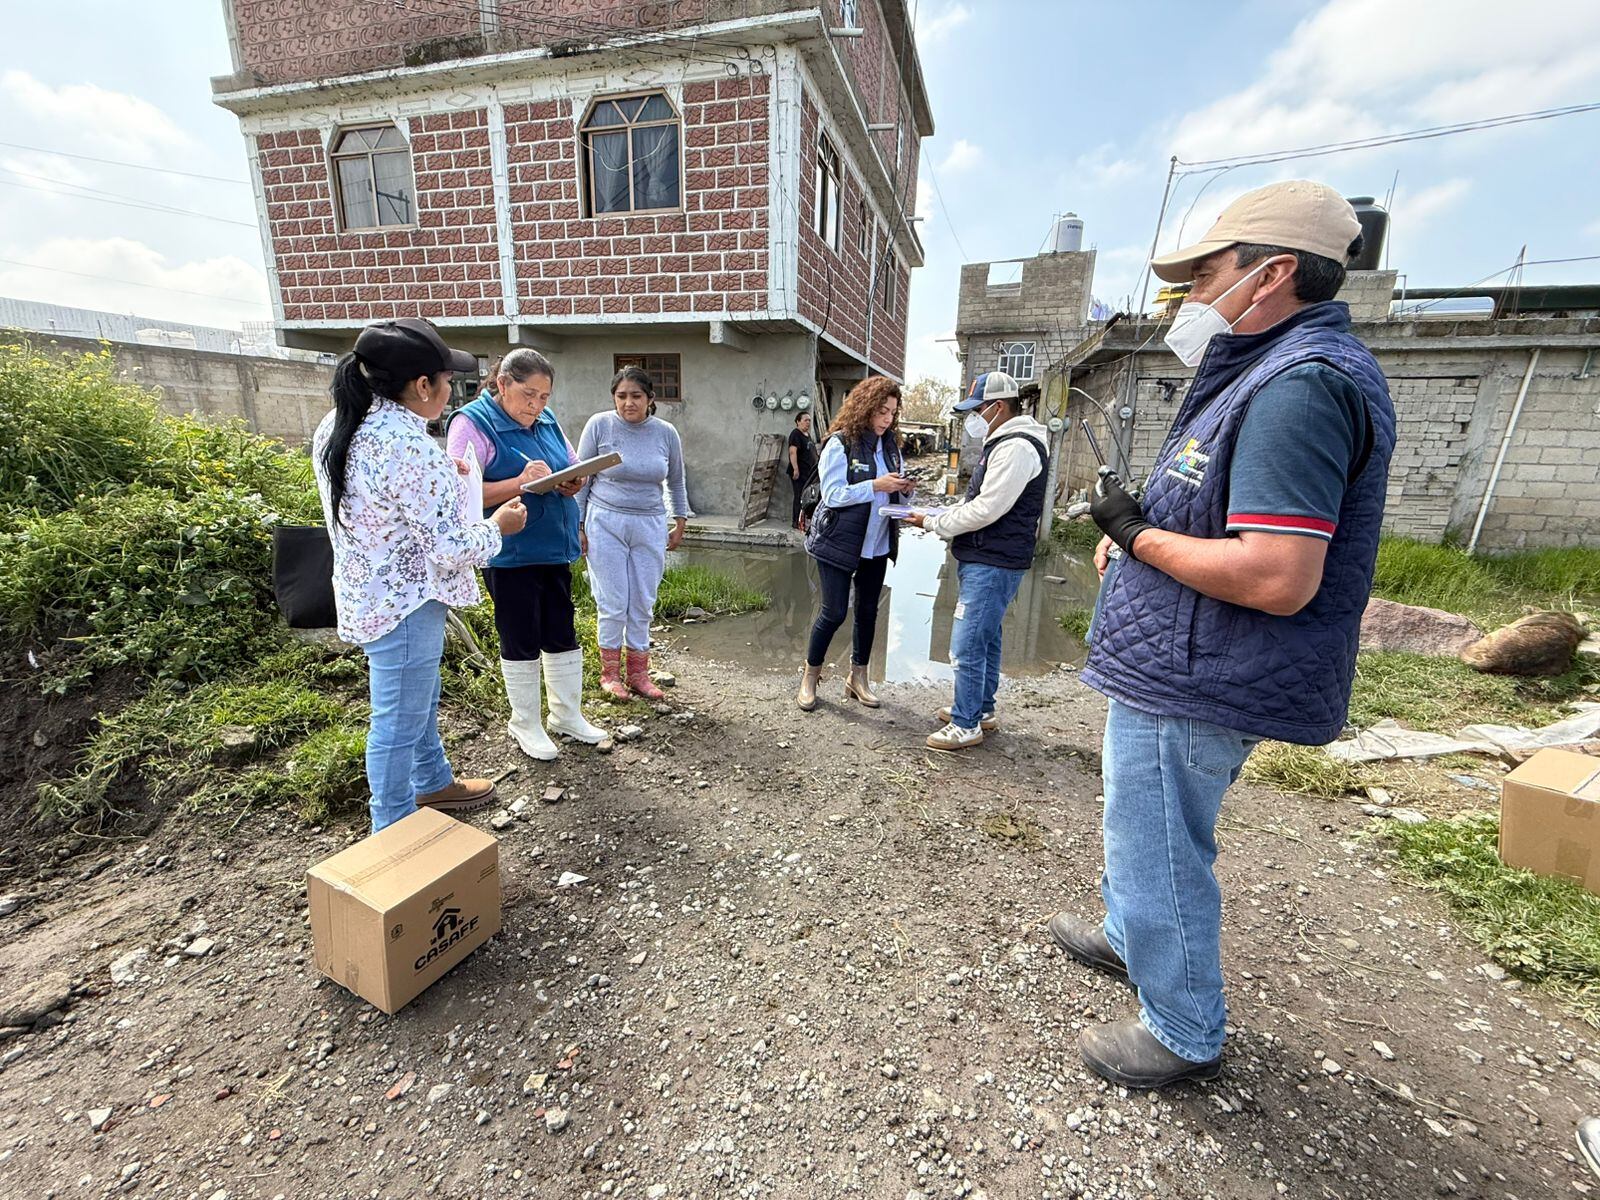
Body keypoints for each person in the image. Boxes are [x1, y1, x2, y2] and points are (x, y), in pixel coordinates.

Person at [1050, 181, 1395, 1089]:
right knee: (1138, 828)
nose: (1186, 297)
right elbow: (1215, 514)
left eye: (1204, 272)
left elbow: (1279, 576)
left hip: (1203, 671)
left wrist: (1139, 538)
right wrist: (1139, 551)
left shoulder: (1301, 388)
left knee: (1160, 842)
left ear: (1272, 272)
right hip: (1179, 653)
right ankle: (1132, 938)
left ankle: (1184, 1026)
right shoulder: (1255, 371)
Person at [311, 318, 528, 833]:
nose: (452, 391)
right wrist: (499, 526)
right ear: (422, 385)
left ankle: (432, 781)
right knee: (397, 720)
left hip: (369, 590)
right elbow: (451, 548)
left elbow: (376, 508)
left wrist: (446, 485)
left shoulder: (339, 423)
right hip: (406, 602)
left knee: (417, 696)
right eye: (447, 380)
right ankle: (392, 828)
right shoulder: (407, 446)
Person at [446, 348, 609, 760]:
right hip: (510, 551)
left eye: (544, 397)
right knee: (520, 634)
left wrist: (573, 481)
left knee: (561, 630)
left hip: (553, 546)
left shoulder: (546, 421)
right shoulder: (472, 424)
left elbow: (570, 463)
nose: (536, 406)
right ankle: (526, 723)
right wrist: (519, 482)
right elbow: (460, 495)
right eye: (528, 395)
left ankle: (566, 715)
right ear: (502, 384)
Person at [903, 371, 1048, 751]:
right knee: (987, 637)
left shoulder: (1016, 447)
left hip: (994, 559)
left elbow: (988, 508)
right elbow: (979, 502)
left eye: (977, 409)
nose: (974, 418)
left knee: (966, 644)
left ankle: (967, 724)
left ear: (998, 407)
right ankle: (981, 709)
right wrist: (939, 514)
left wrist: (935, 522)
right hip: (991, 555)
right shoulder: (1004, 442)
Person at [576, 367, 691, 701]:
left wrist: (680, 518)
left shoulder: (666, 433)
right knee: (613, 601)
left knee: (642, 600)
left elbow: (676, 480)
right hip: (605, 521)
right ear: (614, 397)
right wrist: (579, 525)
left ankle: (639, 673)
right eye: (621, 396)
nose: (628, 402)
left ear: (650, 399)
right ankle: (609, 674)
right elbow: (581, 478)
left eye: (636, 396)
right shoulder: (600, 425)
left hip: (650, 523)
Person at [797, 376, 911, 711]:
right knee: (833, 613)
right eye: (882, 410)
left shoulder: (891, 448)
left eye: (892, 412)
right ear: (865, 407)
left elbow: (894, 498)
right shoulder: (840, 444)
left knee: (867, 611)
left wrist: (904, 491)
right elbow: (833, 496)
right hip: (839, 542)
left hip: (876, 543)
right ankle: (809, 677)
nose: (888, 418)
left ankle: (857, 678)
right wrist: (876, 484)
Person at [787, 411, 818, 530]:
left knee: (806, 497)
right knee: (799, 496)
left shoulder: (807, 435)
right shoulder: (796, 434)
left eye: (809, 420)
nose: (808, 422)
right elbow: (792, 452)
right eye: (805, 420)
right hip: (799, 472)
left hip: (808, 473)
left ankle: (803, 521)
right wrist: (795, 469)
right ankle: (795, 522)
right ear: (798, 422)